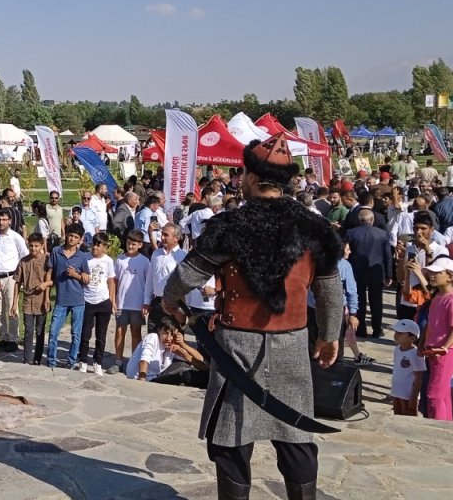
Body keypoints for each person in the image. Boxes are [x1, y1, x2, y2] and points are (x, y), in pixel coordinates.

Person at [161, 134, 344, 500]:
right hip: (292, 342)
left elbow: (185, 278)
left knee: (231, 441)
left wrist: (169, 302)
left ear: (250, 176)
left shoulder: (229, 225)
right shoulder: (314, 226)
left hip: (237, 347)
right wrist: (329, 335)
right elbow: (329, 291)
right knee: (295, 439)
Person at [408, 256, 453, 421]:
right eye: (431, 273)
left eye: (437, 273)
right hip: (432, 349)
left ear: (450, 276)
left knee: (434, 395)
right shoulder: (437, 297)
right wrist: (422, 343)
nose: (432, 276)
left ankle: (437, 427)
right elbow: (430, 323)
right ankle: (446, 424)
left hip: (445, 352)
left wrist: (444, 347)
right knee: (442, 393)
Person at [45, 223, 90, 368]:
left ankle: (71, 362)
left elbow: (87, 279)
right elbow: (49, 273)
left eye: (75, 237)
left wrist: (75, 275)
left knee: (76, 334)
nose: (72, 239)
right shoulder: (56, 251)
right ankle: (51, 361)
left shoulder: (82, 256)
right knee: (53, 332)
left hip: (78, 301)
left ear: (80, 240)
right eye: (70, 235)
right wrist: (47, 296)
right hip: (61, 300)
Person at [345, 208, 393, 338]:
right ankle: (377, 329)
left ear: (359, 221)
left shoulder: (351, 233)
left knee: (359, 301)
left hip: (357, 272)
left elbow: (346, 253)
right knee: (376, 302)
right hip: (376, 271)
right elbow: (388, 256)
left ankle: (361, 329)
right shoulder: (382, 234)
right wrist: (389, 274)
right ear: (372, 220)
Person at [0, 209, 29, 352]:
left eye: (4, 220)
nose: (1, 222)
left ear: (10, 221)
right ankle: (3, 337)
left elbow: (24, 256)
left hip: (11, 277)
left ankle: (13, 338)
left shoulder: (16, 237)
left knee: (12, 308)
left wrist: (21, 277)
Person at [77, 233, 117, 374]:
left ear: (105, 247)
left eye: (98, 245)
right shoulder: (85, 258)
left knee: (101, 335)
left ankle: (97, 361)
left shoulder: (108, 261)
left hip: (103, 300)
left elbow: (111, 281)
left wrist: (111, 300)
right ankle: (82, 360)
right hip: (87, 299)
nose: (95, 247)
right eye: (94, 244)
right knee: (85, 333)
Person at [112, 231, 151, 369]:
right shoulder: (120, 259)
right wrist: (113, 300)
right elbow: (114, 281)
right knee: (119, 332)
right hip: (122, 302)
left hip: (137, 304)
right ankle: (118, 361)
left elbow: (148, 283)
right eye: (128, 243)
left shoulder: (145, 261)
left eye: (133, 244)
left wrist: (146, 302)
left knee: (136, 333)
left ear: (140, 245)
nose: (130, 246)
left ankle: (134, 362)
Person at [16, 232, 52, 366]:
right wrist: (15, 302)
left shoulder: (47, 260)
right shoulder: (23, 261)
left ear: (42, 245)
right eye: (31, 246)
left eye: (36, 246)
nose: (33, 249)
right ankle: (27, 358)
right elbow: (17, 282)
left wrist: (46, 297)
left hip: (41, 299)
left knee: (40, 330)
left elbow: (51, 280)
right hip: (27, 300)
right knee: (28, 330)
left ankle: (38, 357)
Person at [389, 319, 427, 416]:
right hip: (396, 391)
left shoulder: (416, 354)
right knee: (396, 416)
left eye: (400, 333)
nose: (396, 335)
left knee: (408, 417)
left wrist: (413, 397)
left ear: (412, 338)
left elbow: (418, 378)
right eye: (396, 332)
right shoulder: (397, 349)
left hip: (407, 394)